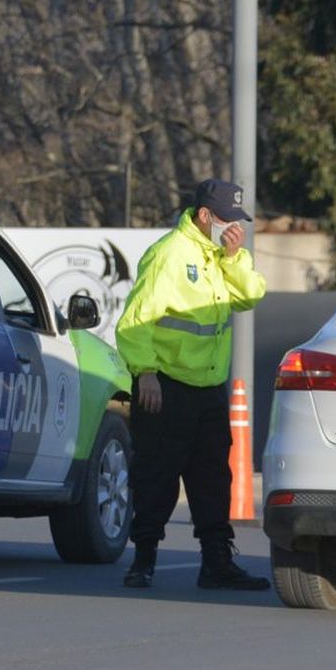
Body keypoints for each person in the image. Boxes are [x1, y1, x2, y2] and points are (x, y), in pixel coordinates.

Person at [115, 178, 269, 590]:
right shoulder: (169, 255)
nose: (234, 229)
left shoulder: (221, 255)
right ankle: (143, 559)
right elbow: (136, 320)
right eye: (226, 220)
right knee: (157, 477)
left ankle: (216, 562)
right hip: (166, 386)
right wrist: (145, 372)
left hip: (208, 387)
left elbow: (251, 294)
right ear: (204, 216)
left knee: (213, 479)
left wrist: (234, 257)